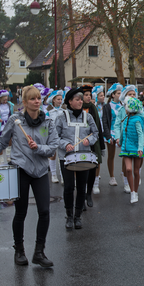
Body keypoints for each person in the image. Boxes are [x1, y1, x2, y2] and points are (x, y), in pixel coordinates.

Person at [0, 85, 59, 267]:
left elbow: (53, 146)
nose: (37, 101)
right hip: (20, 169)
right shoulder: (15, 120)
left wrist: (39, 148)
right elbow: (2, 141)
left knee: (44, 211)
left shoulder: (47, 122)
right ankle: (19, 250)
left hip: (41, 171)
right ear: (25, 102)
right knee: (21, 212)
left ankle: (39, 252)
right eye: (32, 99)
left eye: (38, 98)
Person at [54, 87, 99, 230]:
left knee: (81, 187)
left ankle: (78, 216)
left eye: (81, 99)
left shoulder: (88, 117)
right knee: (68, 187)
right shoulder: (61, 117)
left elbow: (95, 133)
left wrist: (89, 141)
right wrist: (65, 144)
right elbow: (55, 137)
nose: (81, 102)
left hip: (83, 156)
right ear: (70, 101)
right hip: (66, 157)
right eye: (77, 99)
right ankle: (69, 215)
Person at [114, 85, 144, 193]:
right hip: (126, 138)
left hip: (137, 139)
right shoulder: (122, 109)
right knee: (126, 161)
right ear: (125, 96)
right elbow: (117, 124)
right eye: (130, 94)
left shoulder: (139, 109)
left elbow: (143, 127)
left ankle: (137, 173)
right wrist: (118, 137)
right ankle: (126, 181)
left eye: (133, 94)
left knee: (139, 158)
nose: (132, 96)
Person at [80, 85, 105, 208]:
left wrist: (101, 145)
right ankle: (81, 196)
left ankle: (89, 193)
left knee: (92, 167)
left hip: (92, 142)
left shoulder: (93, 109)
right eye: (86, 95)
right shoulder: (78, 108)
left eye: (90, 95)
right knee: (81, 168)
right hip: (80, 141)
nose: (88, 97)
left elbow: (98, 127)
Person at [101, 83, 123, 186]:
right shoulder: (107, 106)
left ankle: (124, 173)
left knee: (125, 154)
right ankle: (112, 177)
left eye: (121, 93)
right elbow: (105, 121)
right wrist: (108, 135)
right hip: (111, 133)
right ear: (113, 95)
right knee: (111, 155)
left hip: (122, 133)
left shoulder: (124, 105)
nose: (120, 94)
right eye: (118, 93)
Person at [46, 90, 65, 183]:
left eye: (61, 99)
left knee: (62, 156)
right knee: (53, 155)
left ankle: (62, 176)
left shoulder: (64, 110)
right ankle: (54, 174)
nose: (60, 101)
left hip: (62, 136)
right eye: (58, 99)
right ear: (53, 100)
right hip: (52, 135)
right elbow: (45, 124)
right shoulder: (48, 111)